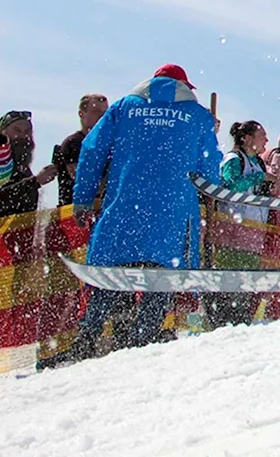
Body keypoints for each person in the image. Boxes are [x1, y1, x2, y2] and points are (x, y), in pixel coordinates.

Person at [69, 64, 220, 358]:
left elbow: (91, 149)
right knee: (161, 276)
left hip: (124, 207)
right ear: (184, 85)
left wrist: (83, 198)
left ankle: (87, 337)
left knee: (108, 274)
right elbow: (209, 172)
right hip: (172, 212)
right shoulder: (198, 115)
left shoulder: (125, 106)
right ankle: (143, 338)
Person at [0, 111, 58, 218]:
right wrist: (35, 181)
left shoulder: (22, 168)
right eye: (17, 130)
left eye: (27, 131)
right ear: (3, 133)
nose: (23, 136)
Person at [52, 93, 109, 206]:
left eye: (105, 113)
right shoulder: (73, 143)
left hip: (100, 207)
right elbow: (83, 181)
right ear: (81, 114)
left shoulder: (108, 144)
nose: (102, 117)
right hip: (74, 210)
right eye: (96, 112)